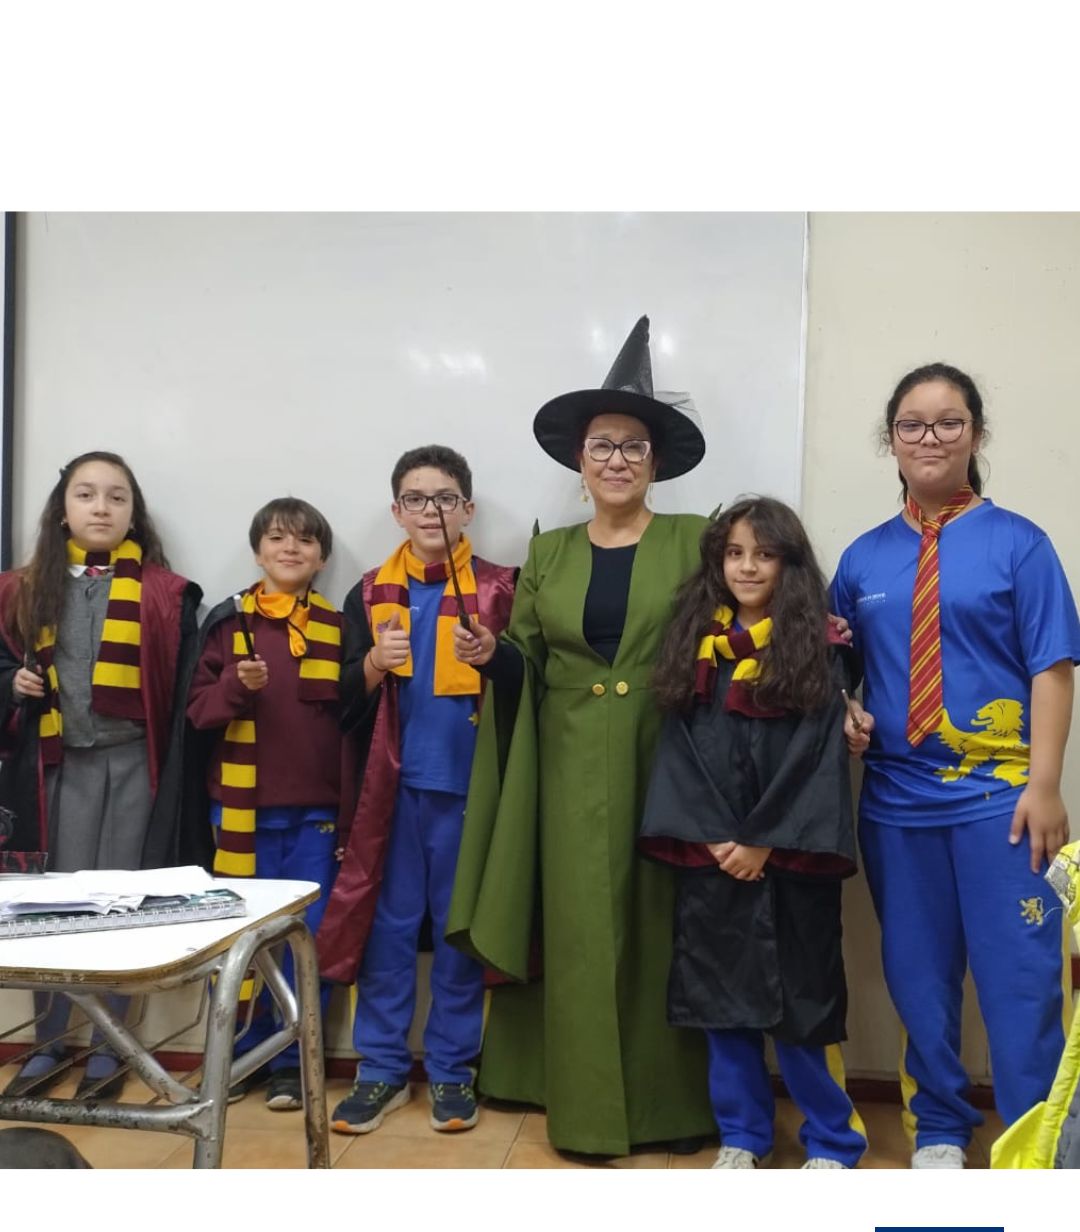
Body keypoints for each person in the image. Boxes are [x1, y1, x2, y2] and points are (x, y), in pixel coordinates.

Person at [447, 315, 717, 1156]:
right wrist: (493, 656)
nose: (617, 460)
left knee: (660, 925)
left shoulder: (697, 541)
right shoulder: (551, 553)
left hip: (666, 758)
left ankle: (669, 1109)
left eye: (634, 446)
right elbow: (527, 659)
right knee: (574, 927)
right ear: (580, 459)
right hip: (563, 769)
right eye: (603, 445)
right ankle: (583, 1106)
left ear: (655, 461)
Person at [832, 363, 1080, 1168]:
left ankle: (1036, 1146)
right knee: (918, 978)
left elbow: (1052, 667)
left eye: (948, 422)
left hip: (1003, 802)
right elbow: (831, 668)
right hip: (896, 804)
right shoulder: (862, 560)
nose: (930, 437)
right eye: (912, 424)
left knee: (1022, 986)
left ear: (975, 434)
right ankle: (938, 1128)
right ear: (891, 441)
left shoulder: (1020, 544)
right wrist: (844, 711)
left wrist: (1046, 785)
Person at [639, 496, 866, 1169]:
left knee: (803, 1004)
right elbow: (678, 746)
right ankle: (742, 1137)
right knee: (722, 1003)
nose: (747, 567)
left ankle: (832, 1139)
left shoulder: (818, 645)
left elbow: (816, 754)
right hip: (714, 857)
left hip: (791, 858)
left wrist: (765, 838)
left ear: (787, 564)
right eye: (734, 553)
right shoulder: (694, 642)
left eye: (764, 554)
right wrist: (714, 836)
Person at [316, 446, 516, 1134]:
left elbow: (528, 684)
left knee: (459, 934)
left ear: (468, 509)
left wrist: (495, 657)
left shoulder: (501, 588)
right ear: (397, 511)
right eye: (416, 499)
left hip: (469, 789)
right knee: (387, 931)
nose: (432, 511)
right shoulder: (370, 592)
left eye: (446, 497)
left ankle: (453, 1070)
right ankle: (379, 1069)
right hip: (390, 791)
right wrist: (374, 663)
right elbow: (340, 697)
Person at [0, 452, 202, 1099]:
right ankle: (49, 1044)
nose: (101, 507)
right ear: (62, 509)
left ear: (133, 514)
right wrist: (13, 685)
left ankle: (112, 1049)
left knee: (121, 910)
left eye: (117, 497)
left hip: (133, 767)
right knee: (50, 911)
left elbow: (181, 693)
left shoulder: (167, 595)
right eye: (85, 494)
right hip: (53, 770)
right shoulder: (20, 590)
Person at [186, 497, 343, 1111]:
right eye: (277, 538)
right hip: (240, 811)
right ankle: (238, 1053)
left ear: (321, 558)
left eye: (304, 540)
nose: (290, 548)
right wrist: (234, 685)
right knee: (240, 940)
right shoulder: (229, 622)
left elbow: (354, 719)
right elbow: (197, 713)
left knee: (308, 939)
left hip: (317, 814)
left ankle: (291, 1060)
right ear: (257, 552)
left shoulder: (337, 626)